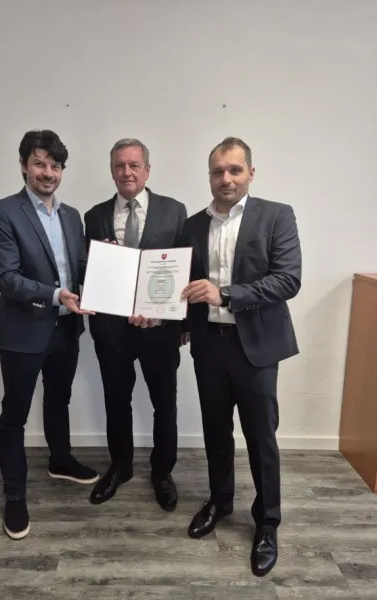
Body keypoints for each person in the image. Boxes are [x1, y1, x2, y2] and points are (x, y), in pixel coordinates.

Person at [181, 137, 301, 577]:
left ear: (251, 172)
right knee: (215, 430)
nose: (226, 178)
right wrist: (169, 316)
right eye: (218, 171)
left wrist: (226, 294)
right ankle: (221, 501)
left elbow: (287, 280)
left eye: (234, 169)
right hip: (208, 344)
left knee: (260, 437)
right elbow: (183, 282)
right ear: (209, 176)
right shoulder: (192, 225)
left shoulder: (277, 215)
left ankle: (267, 523)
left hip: (256, 347)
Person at [0, 130, 99, 540]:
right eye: (39, 163)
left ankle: (60, 459)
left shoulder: (71, 216)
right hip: (23, 330)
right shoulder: (2, 212)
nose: (47, 172)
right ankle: (15, 496)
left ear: (62, 170)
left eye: (55, 165)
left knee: (59, 398)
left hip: (66, 328)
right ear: (23, 165)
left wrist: (107, 261)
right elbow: (5, 277)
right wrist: (54, 295)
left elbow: (79, 267)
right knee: (14, 414)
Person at [84, 138, 187, 511]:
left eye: (134, 165)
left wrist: (182, 320)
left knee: (165, 403)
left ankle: (163, 472)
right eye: (119, 165)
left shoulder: (174, 211)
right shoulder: (94, 216)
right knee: (116, 401)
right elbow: (85, 267)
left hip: (160, 329)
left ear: (147, 169)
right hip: (111, 331)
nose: (126, 172)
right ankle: (120, 467)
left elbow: (184, 267)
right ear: (111, 170)